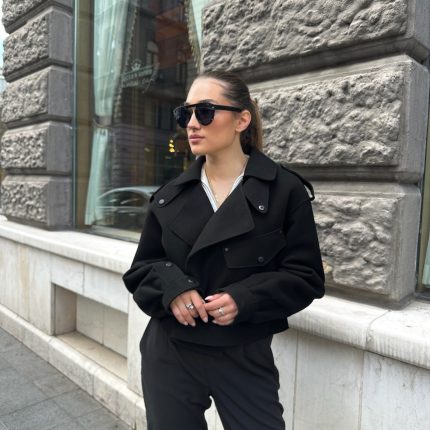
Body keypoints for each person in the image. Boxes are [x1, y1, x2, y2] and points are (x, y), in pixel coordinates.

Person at [123, 70, 325, 430]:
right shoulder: (170, 196)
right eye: (185, 113)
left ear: (241, 120)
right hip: (170, 349)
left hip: (244, 351)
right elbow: (143, 267)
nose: (192, 123)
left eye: (204, 111)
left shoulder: (284, 190)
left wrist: (244, 298)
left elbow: (306, 277)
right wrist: (174, 288)